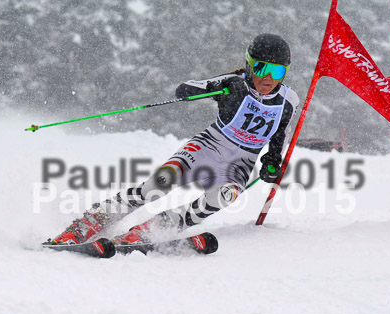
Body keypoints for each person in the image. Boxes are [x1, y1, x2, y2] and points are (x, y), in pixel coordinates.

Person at [48, 33, 300, 245]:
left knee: (222, 197)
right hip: (208, 147)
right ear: (248, 64)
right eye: (261, 68)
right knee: (156, 185)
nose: (268, 78)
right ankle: (88, 223)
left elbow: (279, 137)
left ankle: (154, 229)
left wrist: (271, 162)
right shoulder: (234, 83)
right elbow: (184, 90)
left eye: (277, 71)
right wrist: (222, 89)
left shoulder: (288, 101)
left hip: (240, 165)